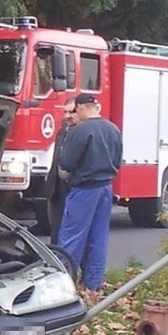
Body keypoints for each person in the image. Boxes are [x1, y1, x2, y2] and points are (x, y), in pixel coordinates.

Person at [56, 93, 123, 299]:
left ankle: (64, 286)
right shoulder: (113, 129)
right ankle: (93, 285)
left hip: (84, 189)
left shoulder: (82, 130)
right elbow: (118, 159)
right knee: (98, 237)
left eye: (76, 110)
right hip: (105, 188)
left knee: (71, 238)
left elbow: (66, 161)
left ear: (82, 108)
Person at [44, 99, 77, 244]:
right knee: (56, 231)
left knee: (72, 231)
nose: (67, 116)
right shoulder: (63, 131)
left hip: (73, 187)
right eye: (65, 112)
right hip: (57, 189)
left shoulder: (83, 132)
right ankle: (57, 261)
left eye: (72, 112)